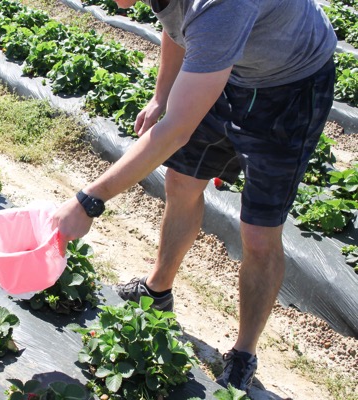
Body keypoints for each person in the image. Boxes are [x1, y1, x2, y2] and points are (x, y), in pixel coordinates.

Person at [52, 0, 336, 393]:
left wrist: (90, 200)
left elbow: (176, 131)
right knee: (181, 183)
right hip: (226, 70)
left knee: (258, 232)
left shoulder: (223, 6)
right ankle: (158, 290)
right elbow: (178, 27)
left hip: (289, 89)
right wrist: (162, 94)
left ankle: (244, 352)